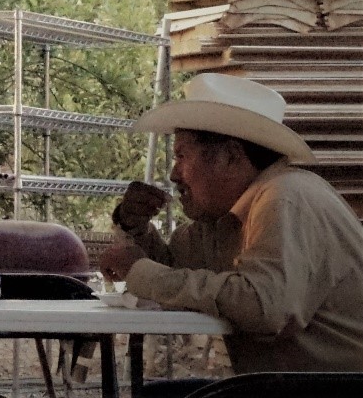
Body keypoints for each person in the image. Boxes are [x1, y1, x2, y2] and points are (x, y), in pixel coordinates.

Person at [101, 74, 363, 395]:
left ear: (230, 156)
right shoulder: (225, 218)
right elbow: (173, 270)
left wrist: (140, 271)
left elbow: (264, 308)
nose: (173, 174)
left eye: (182, 156)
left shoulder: (285, 196)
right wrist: (134, 226)